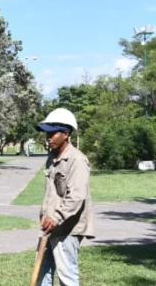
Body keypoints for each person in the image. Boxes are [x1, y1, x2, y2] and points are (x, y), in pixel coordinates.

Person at [34, 107, 94, 286]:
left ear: (66, 134)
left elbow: (76, 196)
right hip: (49, 225)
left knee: (67, 276)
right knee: (42, 275)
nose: (48, 138)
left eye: (53, 133)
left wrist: (56, 217)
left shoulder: (77, 160)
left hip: (67, 227)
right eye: (47, 134)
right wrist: (47, 217)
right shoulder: (52, 157)